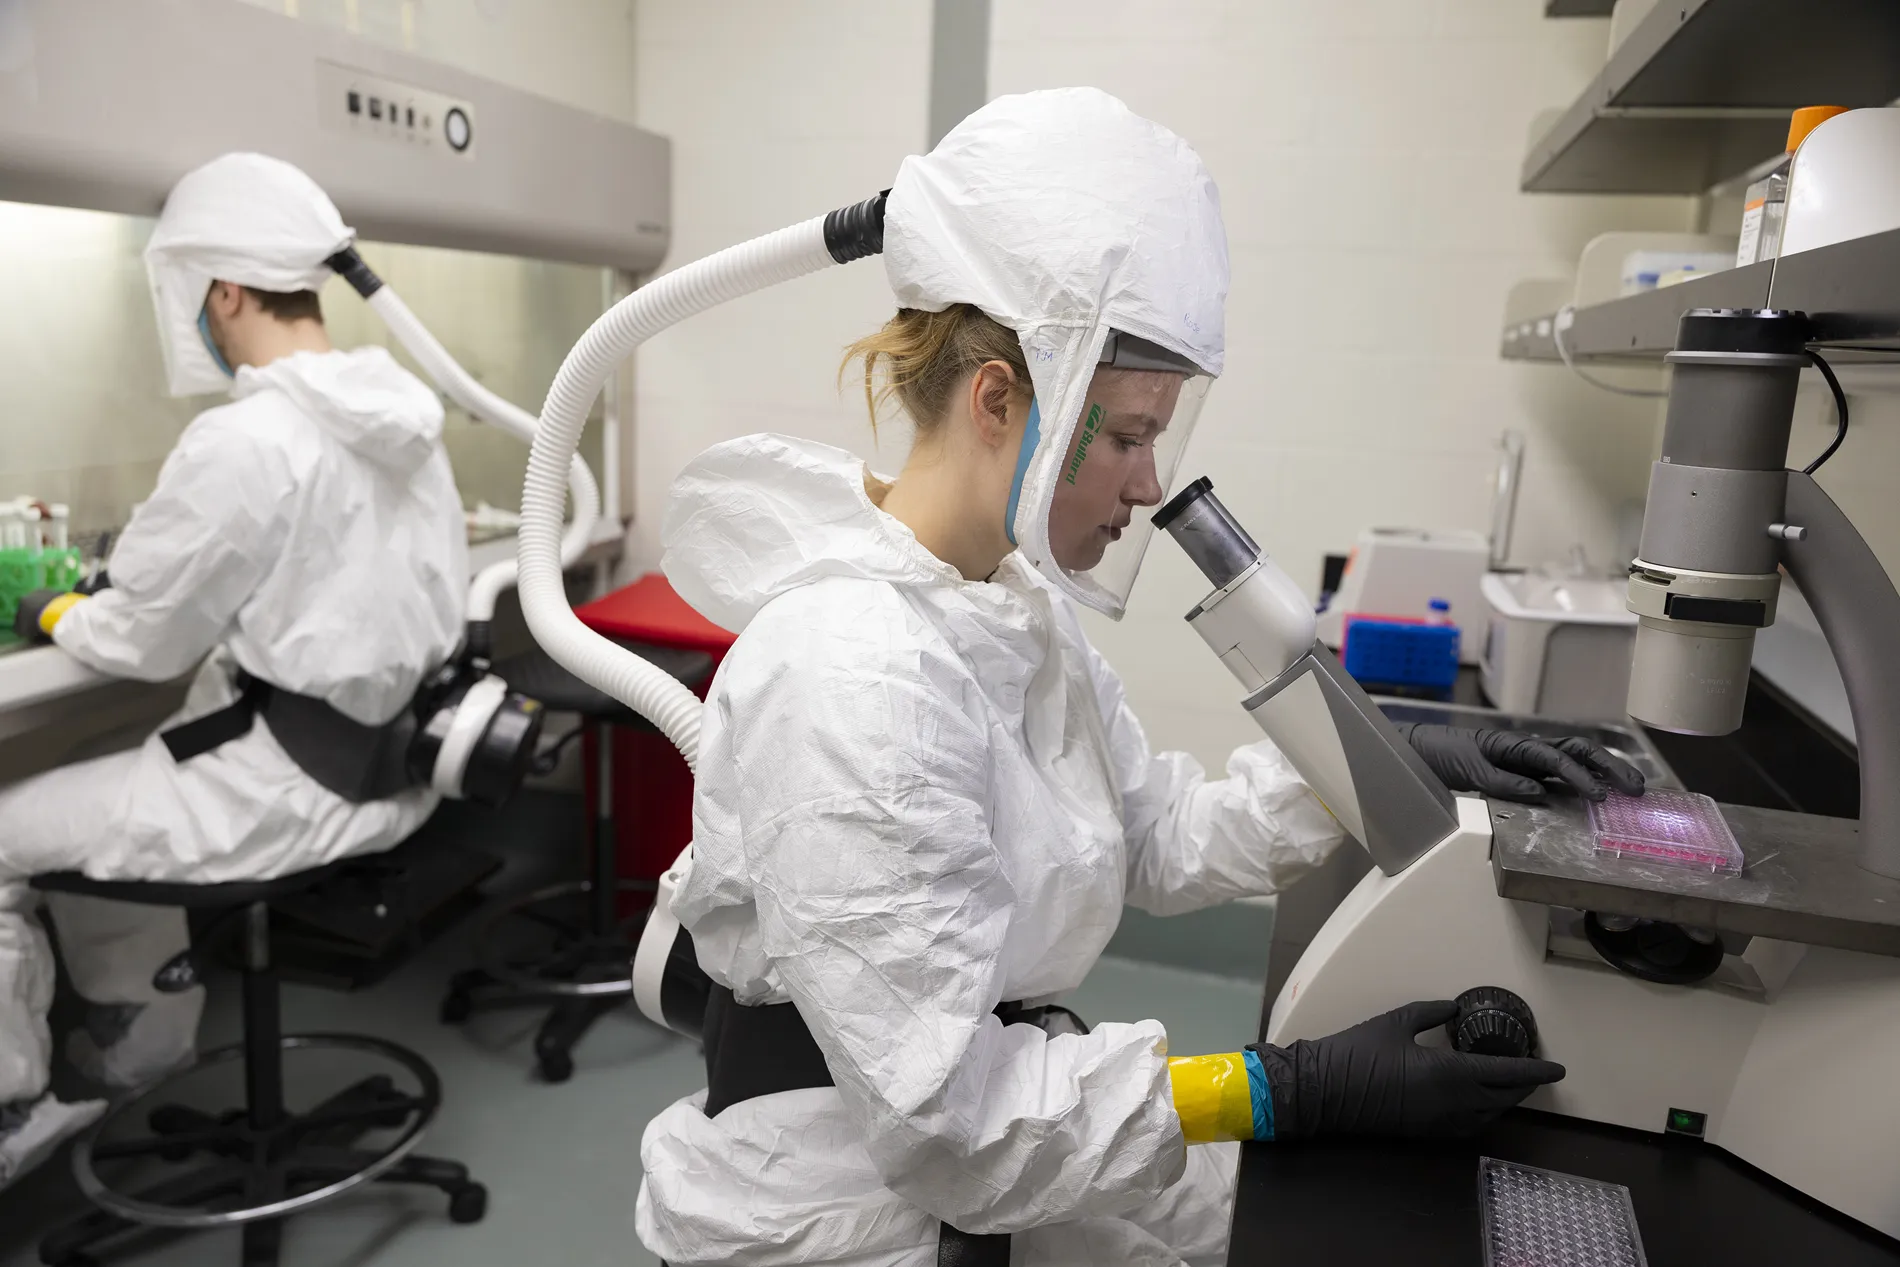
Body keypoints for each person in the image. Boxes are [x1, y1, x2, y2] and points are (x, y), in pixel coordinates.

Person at [636, 89, 1643, 1266]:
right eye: (1121, 435)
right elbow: (951, 1126)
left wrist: (1376, 760)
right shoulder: (859, 677)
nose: (1147, 481)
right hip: (849, 1200)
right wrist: (1289, 1089)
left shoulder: (1001, 612)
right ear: (1000, 401)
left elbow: (1151, 829)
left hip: (996, 1108)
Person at [0, 153, 466, 1186]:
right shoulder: (405, 422)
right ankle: (144, 1039)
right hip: (388, 774)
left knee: (3, 831)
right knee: (100, 762)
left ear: (222, 294)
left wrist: (55, 604)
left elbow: (143, 641)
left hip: (278, 794)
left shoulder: (247, 438)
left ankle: (15, 1105)